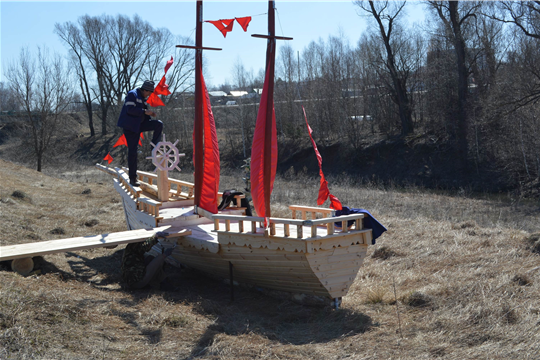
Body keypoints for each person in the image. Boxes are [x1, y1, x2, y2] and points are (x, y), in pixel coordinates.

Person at [117, 80, 163, 187]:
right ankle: (133, 178)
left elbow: (144, 112)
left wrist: (150, 114)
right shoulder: (132, 94)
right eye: (149, 92)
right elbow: (130, 109)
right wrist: (144, 111)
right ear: (145, 90)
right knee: (133, 151)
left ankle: (154, 147)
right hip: (130, 127)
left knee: (158, 124)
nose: (149, 95)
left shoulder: (143, 98)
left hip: (140, 124)